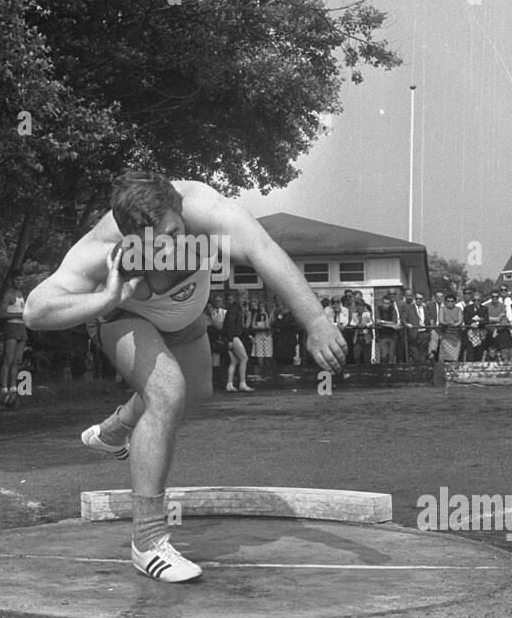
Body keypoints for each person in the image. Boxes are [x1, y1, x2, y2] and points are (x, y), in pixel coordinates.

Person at [23, 170, 347, 583]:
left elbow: (264, 249)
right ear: (130, 237)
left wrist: (316, 320)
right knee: (166, 392)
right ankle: (148, 541)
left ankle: (115, 429)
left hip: (188, 321)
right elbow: (36, 311)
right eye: (157, 243)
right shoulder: (101, 247)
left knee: (196, 393)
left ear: (179, 207)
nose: (172, 247)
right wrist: (107, 297)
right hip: (126, 319)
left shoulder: (207, 208)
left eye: (176, 232)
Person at [0, 271, 28, 407]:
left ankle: (13, 388)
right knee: (8, 359)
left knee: (17, 360)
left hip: (22, 328)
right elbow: (1, 314)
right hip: (11, 328)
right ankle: (4, 389)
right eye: (16, 280)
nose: (19, 283)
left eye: (21, 280)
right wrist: (20, 314)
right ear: (12, 281)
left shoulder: (22, 295)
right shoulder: (9, 294)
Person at [223, 291, 253, 392]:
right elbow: (230, 325)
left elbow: (239, 325)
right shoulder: (234, 309)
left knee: (234, 361)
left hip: (230, 337)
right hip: (233, 337)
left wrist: (248, 335)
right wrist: (231, 340)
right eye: (244, 298)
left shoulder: (235, 309)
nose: (245, 300)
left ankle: (229, 384)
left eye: (246, 298)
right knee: (244, 358)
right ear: (238, 298)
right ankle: (242, 384)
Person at [437, 291, 463, 362]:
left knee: (454, 358)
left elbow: (460, 320)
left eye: (452, 301)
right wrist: (447, 323)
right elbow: (441, 320)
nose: (450, 302)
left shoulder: (459, 309)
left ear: (455, 302)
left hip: (456, 337)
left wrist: (455, 324)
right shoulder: (442, 309)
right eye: (448, 301)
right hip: (446, 336)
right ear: (445, 302)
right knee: (444, 357)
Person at [374, 292, 400, 364]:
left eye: (388, 303)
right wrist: (391, 324)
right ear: (382, 302)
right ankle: (383, 372)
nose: (386, 305)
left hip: (392, 336)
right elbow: (377, 322)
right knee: (383, 356)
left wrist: (383, 322)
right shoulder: (378, 309)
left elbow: (394, 322)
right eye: (385, 303)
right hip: (382, 335)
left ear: (390, 303)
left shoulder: (393, 309)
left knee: (391, 357)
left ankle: (391, 373)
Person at [251, 299, 273, 366]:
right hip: (258, 336)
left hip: (266, 337)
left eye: (263, 306)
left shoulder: (268, 314)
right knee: (259, 355)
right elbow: (253, 326)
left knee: (267, 355)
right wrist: (260, 328)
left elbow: (267, 326)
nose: (261, 308)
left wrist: (266, 315)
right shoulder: (256, 314)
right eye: (260, 306)